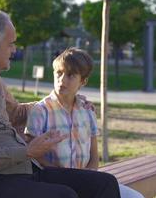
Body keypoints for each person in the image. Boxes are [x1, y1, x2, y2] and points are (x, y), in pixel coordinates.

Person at [0, 8, 121, 198]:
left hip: (22, 172)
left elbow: (18, 112)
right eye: (11, 44)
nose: (14, 49)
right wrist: (26, 152)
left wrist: (65, 101)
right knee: (64, 195)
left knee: (104, 183)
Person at [24, 48, 144, 198]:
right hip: (54, 180)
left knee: (135, 197)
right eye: (59, 73)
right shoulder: (41, 110)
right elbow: (32, 154)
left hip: (85, 178)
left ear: (83, 81)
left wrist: (90, 173)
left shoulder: (87, 110)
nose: (62, 80)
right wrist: (67, 174)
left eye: (70, 75)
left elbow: (94, 153)